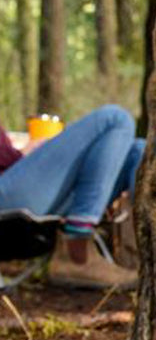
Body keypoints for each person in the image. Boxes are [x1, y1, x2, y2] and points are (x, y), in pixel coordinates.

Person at [0, 104, 145, 289]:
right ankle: (77, 245)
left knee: (138, 151)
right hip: (7, 204)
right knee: (115, 119)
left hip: (21, 191)